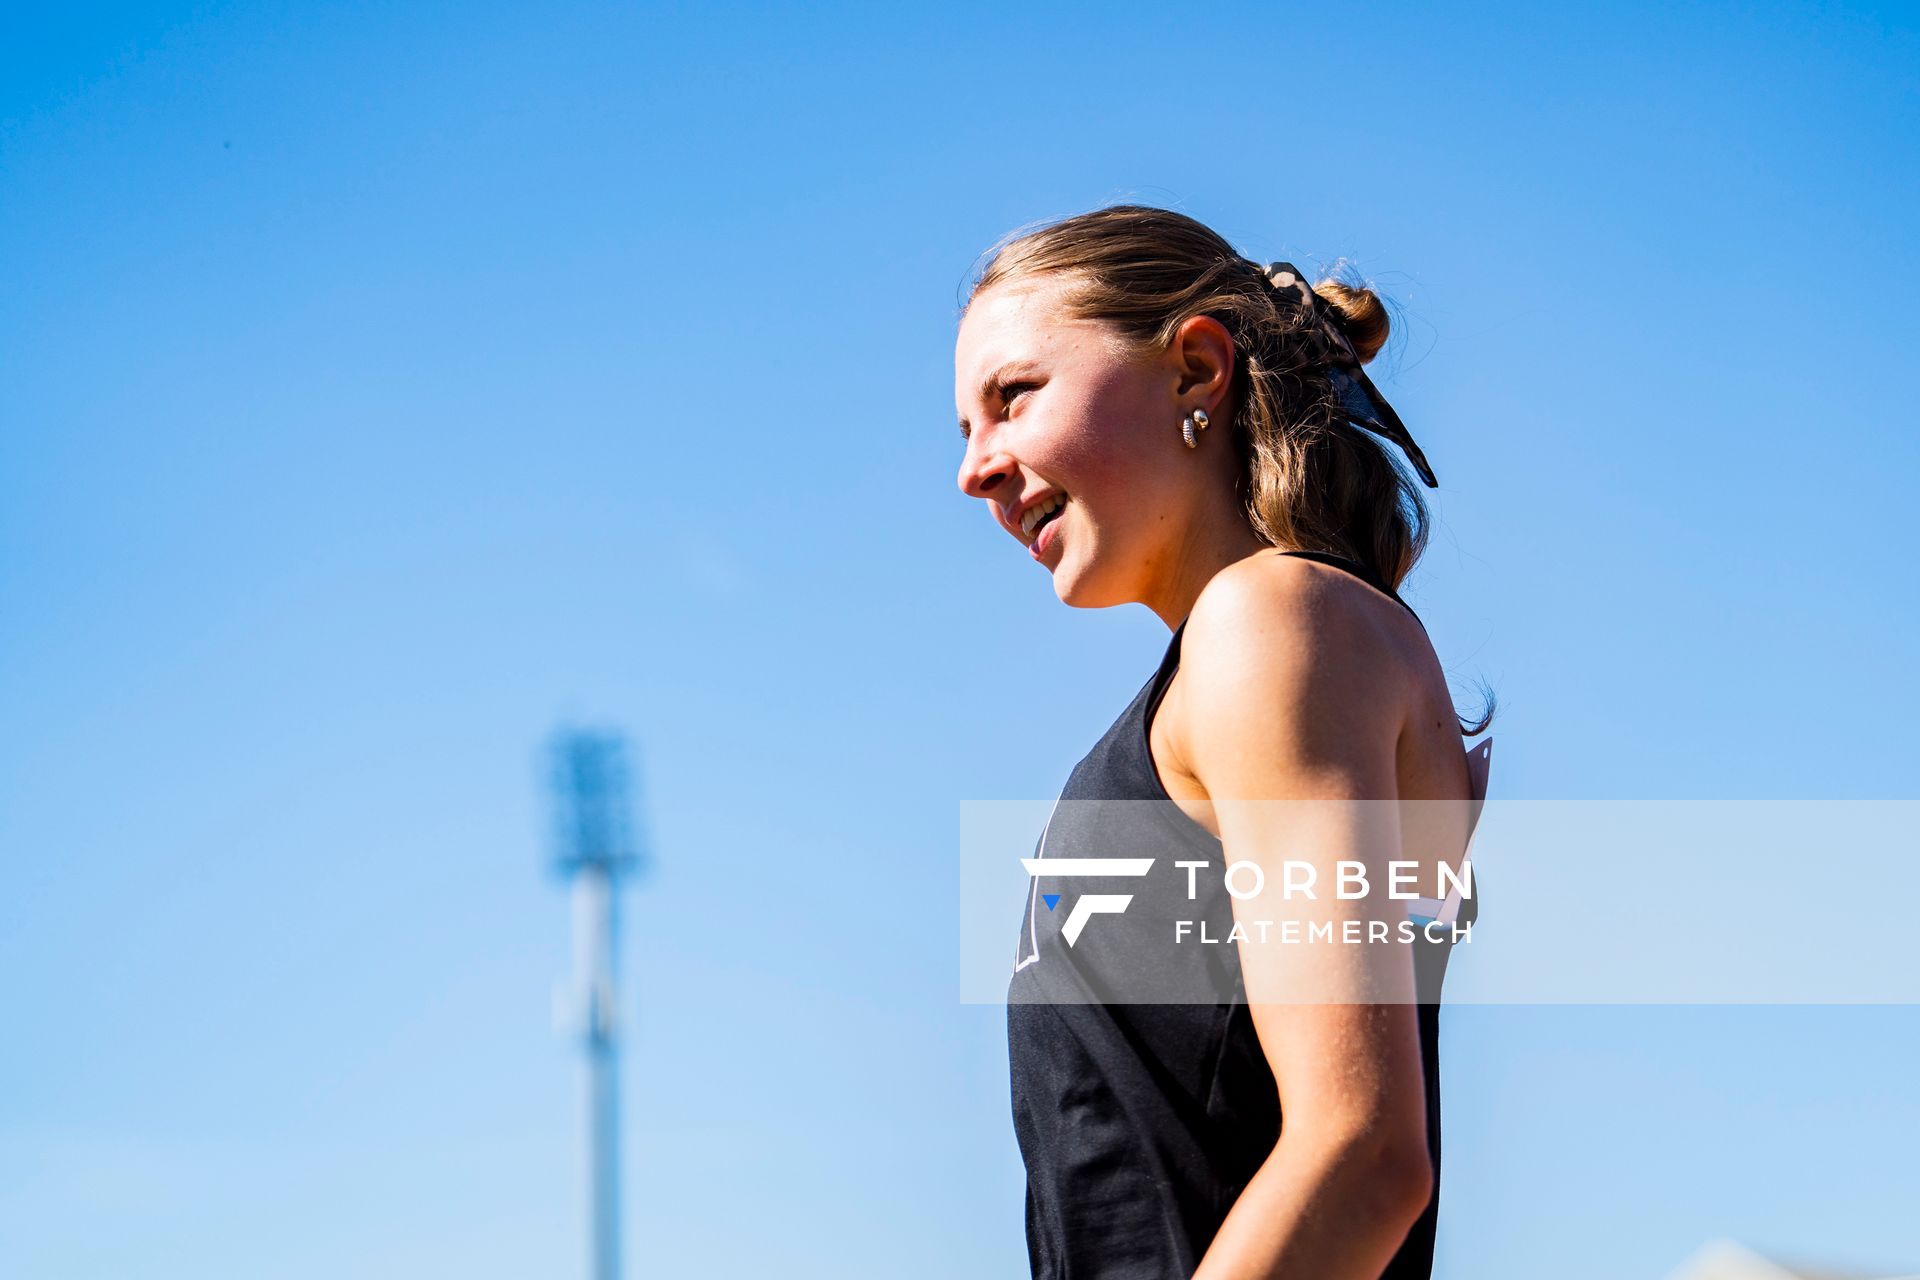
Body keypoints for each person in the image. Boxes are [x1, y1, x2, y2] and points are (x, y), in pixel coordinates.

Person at [953, 205, 1494, 1279]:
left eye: (1012, 396)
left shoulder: (1272, 622)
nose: (976, 468)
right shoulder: (1272, 647)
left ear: (1197, 369)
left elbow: (1364, 1150)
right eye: (965, 430)